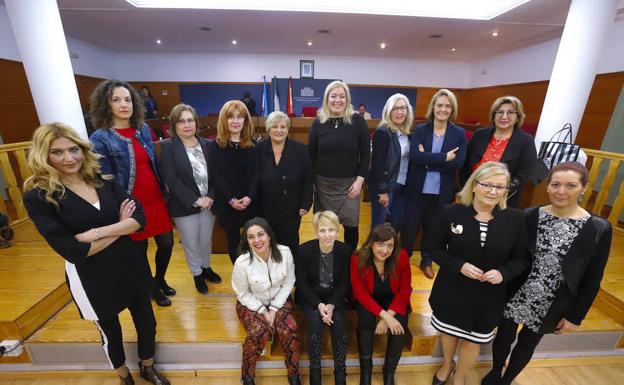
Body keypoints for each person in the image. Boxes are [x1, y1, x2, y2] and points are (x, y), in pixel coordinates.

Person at [23, 123, 170, 385]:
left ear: (83, 150)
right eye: (57, 152)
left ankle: (148, 367)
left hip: (131, 265)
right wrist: (119, 229)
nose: (69, 158)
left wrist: (95, 234)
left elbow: (139, 219)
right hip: (92, 277)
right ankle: (124, 376)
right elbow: (73, 251)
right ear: (43, 156)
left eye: (73, 149)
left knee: (147, 323)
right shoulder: (39, 197)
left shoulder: (104, 182)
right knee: (111, 333)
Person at [482, 162, 612, 385]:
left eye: (571, 185)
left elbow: (593, 278)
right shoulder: (530, 215)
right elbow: (512, 256)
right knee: (504, 335)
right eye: (555, 184)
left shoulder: (598, 228)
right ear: (548, 187)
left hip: (554, 300)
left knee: (528, 343)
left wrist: (575, 316)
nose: (561, 191)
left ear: (583, 188)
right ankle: (495, 372)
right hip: (518, 292)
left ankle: (507, 380)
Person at [426, 162, 528, 385]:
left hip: (488, 294)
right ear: (474, 185)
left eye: (500, 187)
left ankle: (460, 375)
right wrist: (458, 265)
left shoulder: (516, 219)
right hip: (453, 287)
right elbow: (432, 248)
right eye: (487, 185)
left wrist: (503, 273)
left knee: (473, 339)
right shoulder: (451, 212)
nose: (493, 191)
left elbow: (521, 259)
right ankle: (447, 365)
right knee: (449, 331)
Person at [89, 79, 175, 307]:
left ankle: (159, 280)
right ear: (106, 105)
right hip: (130, 202)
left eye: (127, 99)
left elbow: (153, 162)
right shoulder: (100, 138)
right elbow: (104, 179)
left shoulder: (143, 129)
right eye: (116, 100)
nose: (123, 104)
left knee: (167, 243)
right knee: (140, 249)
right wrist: (119, 207)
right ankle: (151, 289)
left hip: (155, 197)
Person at [158, 103, 222, 294]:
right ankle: (197, 274)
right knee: (190, 242)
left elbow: (217, 174)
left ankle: (206, 267)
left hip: (208, 203)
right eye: (181, 121)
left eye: (190, 120)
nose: (186, 125)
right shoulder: (168, 147)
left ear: (196, 122)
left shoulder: (209, 145)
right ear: (174, 125)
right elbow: (171, 179)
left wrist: (210, 196)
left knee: (205, 240)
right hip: (184, 205)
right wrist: (196, 200)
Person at [403, 89, 466, 279]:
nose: (443, 109)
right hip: (416, 190)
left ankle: (427, 261)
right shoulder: (421, 129)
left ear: (452, 109)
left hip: (442, 192)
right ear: (433, 107)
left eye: (447, 106)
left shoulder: (459, 134)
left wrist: (428, 160)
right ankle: (402, 261)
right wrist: (443, 158)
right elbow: (415, 156)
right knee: (410, 228)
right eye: (440, 105)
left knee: (433, 229)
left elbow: (458, 163)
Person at [231, 217, 300, 385]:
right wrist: (263, 311)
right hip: (251, 303)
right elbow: (242, 293)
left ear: (269, 235)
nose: (257, 240)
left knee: (289, 329)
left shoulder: (285, 253)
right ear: (246, 241)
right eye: (251, 237)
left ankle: (293, 374)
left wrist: (274, 309)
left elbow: (289, 282)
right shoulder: (242, 262)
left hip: (280, 300)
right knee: (259, 331)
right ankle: (247, 376)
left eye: (260, 234)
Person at [308, 81, 370, 251]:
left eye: (342, 96)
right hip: (323, 186)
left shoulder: (357, 121)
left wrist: (359, 182)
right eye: (333, 96)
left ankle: (348, 261)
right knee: (325, 228)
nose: (337, 100)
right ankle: (327, 257)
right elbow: (310, 156)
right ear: (327, 99)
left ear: (347, 99)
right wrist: (312, 182)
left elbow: (365, 155)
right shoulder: (318, 122)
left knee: (351, 227)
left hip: (350, 186)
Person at [351, 223, 412, 385]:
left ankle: (389, 371)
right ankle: (366, 371)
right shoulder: (357, 258)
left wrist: (388, 317)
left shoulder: (402, 257)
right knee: (365, 319)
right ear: (371, 243)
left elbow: (405, 290)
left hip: (393, 300)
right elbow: (360, 293)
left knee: (401, 323)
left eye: (390, 246)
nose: (385, 250)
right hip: (368, 299)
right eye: (380, 244)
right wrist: (383, 315)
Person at [296, 211, 351, 385]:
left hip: (335, 297)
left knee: (340, 322)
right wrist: (319, 304)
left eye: (331, 230)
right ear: (316, 231)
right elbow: (302, 283)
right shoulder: (304, 250)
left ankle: (340, 372)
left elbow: (345, 283)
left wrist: (333, 305)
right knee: (314, 322)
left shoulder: (346, 250)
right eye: (322, 230)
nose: (327, 235)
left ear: (338, 230)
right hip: (312, 297)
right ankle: (315, 372)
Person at [462, 96, 537, 208]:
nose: (504, 116)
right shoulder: (479, 134)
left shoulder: (526, 141)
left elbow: (524, 175)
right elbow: (465, 165)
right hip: (473, 196)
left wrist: (498, 192)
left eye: (511, 112)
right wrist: (469, 189)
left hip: (503, 200)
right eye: (500, 112)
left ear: (517, 117)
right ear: (494, 115)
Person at [256, 111, 313, 257]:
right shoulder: (258, 150)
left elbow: (308, 179)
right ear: (268, 129)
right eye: (275, 126)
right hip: (264, 207)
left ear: (288, 129)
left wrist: (305, 204)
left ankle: (291, 276)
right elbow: (253, 179)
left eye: (283, 127)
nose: (279, 130)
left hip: (291, 208)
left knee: (290, 244)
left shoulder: (300, 150)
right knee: (267, 244)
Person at [209, 100, 258, 264]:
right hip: (227, 202)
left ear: (245, 120)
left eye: (239, 117)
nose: (235, 121)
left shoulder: (253, 146)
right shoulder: (215, 146)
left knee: (252, 241)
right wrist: (230, 199)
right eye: (231, 117)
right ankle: (240, 274)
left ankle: (253, 274)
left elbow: (256, 175)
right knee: (233, 241)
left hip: (250, 202)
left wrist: (250, 197)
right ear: (224, 120)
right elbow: (216, 176)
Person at [368, 93, 413, 235]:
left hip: (401, 184)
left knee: (398, 222)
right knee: (379, 225)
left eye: (403, 108)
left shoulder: (407, 133)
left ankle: (389, 253)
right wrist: (383, 191)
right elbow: (378, 164)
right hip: (385, 186)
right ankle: (371, 254)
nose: (400, 112)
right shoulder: (383, 132)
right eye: (395, 108)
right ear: (388, 111)